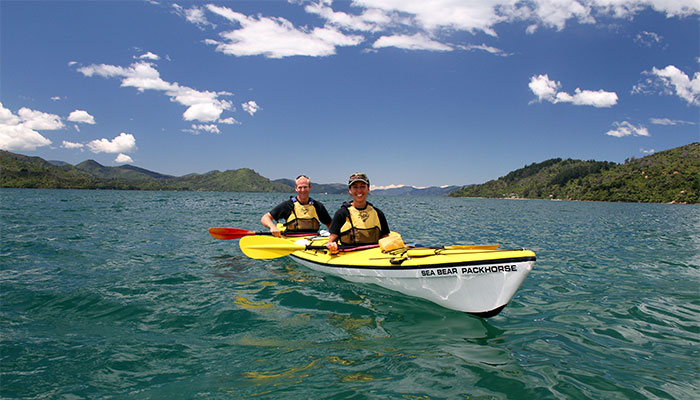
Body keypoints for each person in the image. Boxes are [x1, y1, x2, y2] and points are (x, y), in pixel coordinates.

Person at [326, 172, 390, 254]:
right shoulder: (341, 213)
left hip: (374, 254)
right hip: (349, 255)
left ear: (368, 189)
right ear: (350, 190)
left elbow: (386, 238)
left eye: (362, 187)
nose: (359, 190)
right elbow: (331, 241)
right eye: (355, 187)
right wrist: (332, 246)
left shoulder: (378, 213)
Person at [261, 175, 332, 237]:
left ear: (310, 187)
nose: (303, 190)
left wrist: (334, 237)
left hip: (313, 240)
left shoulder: (318, 206)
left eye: (305, 187)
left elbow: (330, 224)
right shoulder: (288, 205)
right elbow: (265, 218)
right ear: (296, 188)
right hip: (292, 240)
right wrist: (272, 227)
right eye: (300, 187)